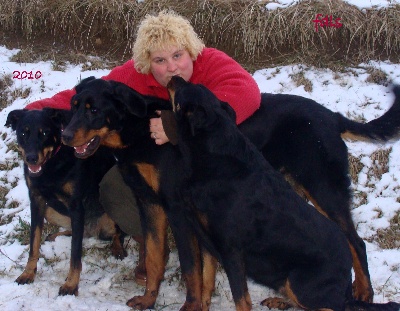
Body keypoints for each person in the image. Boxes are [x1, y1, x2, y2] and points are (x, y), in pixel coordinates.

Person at [25, 10, 261, 286]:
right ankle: (148, 243)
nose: (172, 67)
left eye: (178, 56)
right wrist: (33, 112)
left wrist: (179, 125)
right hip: (161, 163)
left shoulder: (211, 62)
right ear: (147, 62)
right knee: (114, 187)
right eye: (160, 60)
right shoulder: (134, 75)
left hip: (211, 163)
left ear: (192, 51)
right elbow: (87, 97)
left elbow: (246, 91)